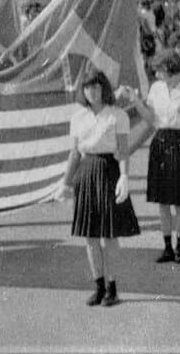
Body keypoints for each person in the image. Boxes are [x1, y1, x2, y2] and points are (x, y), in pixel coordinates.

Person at [65, 70, 140, 307]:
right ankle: (98, 286)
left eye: (96, 87)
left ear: (104, 89)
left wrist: (124, 176)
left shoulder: (117, 115)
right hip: (86, 173)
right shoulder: (78, 117)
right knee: (90, 235)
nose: (92, 92)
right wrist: (65, 182)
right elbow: (75, 152)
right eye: (87, 88)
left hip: (109, 171)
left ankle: (112, 287)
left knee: (109, 235)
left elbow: (123, 149)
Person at [126, 50, 180, 263]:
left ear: (171, 71)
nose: (157, 75)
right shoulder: (156, 89)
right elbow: (151, 120)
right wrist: (136, 101)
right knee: (163, 202)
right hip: (161, 144)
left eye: (160, 71)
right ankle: (167, 247)